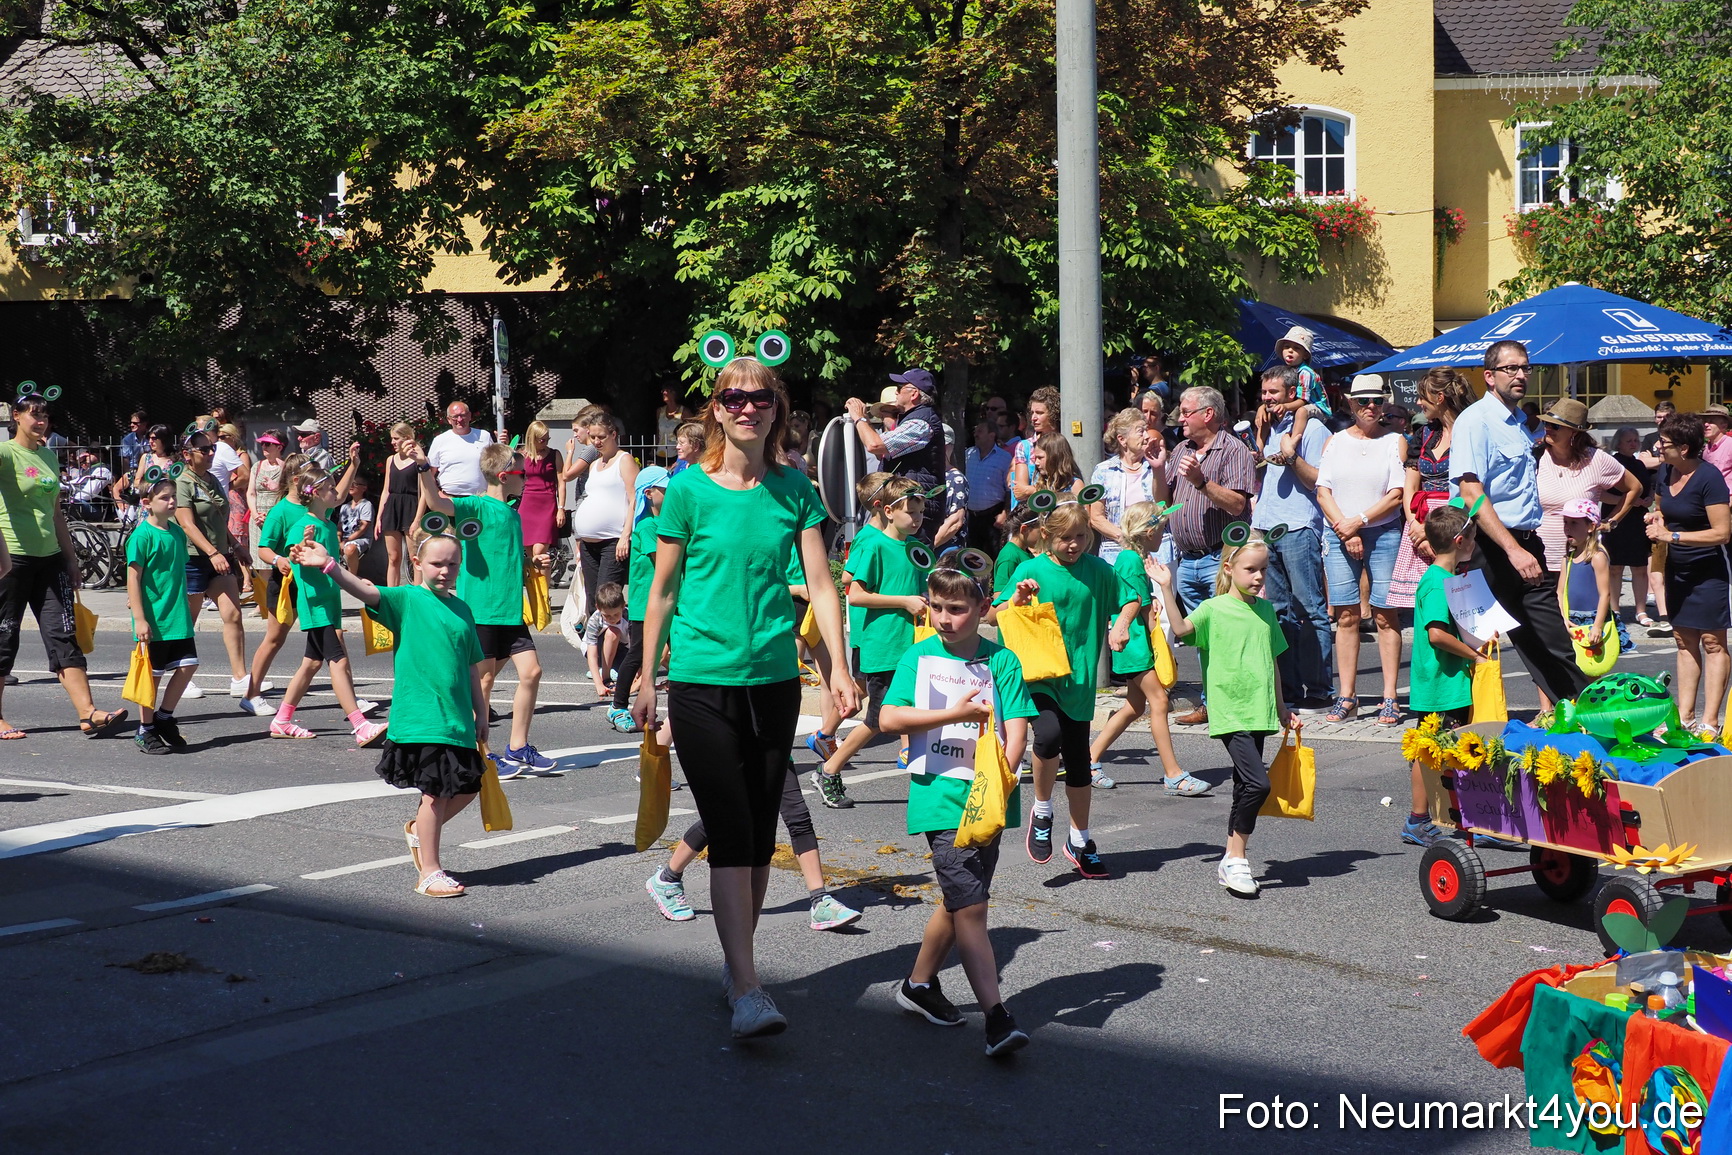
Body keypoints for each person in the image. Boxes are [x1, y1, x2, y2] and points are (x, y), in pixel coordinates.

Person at [631, 356, 857, 1041]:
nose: (747, 407)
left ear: (775, 408)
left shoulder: (794, 489)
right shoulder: (687, 491)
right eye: (734, 397)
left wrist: (838, 669)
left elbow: (822, 585)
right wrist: (647, 677)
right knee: (730, 827)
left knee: (760, 834)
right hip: (702, 681)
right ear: (716, 408)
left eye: (760, 398)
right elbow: (662, 592)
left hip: (774, 682)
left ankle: (740, 968)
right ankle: (749, 988)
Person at [879, 564, 1035, 1055]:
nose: (944, 618)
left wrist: (1000, 783)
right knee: (972, 906)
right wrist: (956, 713)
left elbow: (1017, 729)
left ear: (984, 608)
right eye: (937, 607)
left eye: (957, 609)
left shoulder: (1002, 660)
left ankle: (918, 984)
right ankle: (996, 1017)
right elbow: (888, 717)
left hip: (987, 800)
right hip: (939, 797)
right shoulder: (919, 656)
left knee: (962, 897)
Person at [288, 528, 487, 899]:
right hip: (422, 717)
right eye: (437, 564)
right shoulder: (406, 599)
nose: (445, 571)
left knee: (467, 788)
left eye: (452, 564)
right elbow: (365, 591)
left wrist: (482, 712)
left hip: (457, 718)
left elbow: (472, 666)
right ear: (417, 564)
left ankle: (419, 831)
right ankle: (429, 872)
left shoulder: (463, 609)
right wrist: (329, 565)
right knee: (435, 794)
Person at [1150, 530, 1295, 898]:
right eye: (1251, 569)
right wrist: (1166, 587)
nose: (1259, 577)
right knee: (1259, 784)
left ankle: (1232, 859)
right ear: (1229, 568)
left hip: (1260, 709)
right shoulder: (1213, 609)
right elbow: (1181, 629)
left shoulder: (1265, 610)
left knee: (1244, 785)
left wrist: (1282, 708)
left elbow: (1274, 662)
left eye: (1263, 569)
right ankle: (1236, 856)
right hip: (1230, 710)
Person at [996, 502, 1135, 879]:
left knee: (1078, 760)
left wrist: (1121, 625)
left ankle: (1079, 840)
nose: (1074, 544)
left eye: (1081, 536)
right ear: (1046, 536)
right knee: (1048, 734)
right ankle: (1042, 811)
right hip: (1038, 673)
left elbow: (1131, 598)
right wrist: (1017, 600)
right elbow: (996, 612)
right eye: (1065, 538)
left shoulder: (1099, 570)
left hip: (1079, 678)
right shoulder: (1031, 569)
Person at [1449, 340, 1589, 705]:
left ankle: (1582, 716)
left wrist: (1521, 549)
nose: (1521, 375)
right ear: (1489, 376)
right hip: (1486, 549)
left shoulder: (1519, 424)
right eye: (1511, 368)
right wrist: (1512, 550)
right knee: (1476, 646)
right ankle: (1457, 728)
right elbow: (1470, 492)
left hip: (1527, 543)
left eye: (1525, 368)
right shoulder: (1476, 421)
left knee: (1553, 642)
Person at [417, 440, 554, 776]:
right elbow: (437, 502)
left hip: (510, 610)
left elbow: (508, 556)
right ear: (505, 476)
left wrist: (532, 562)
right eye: (522, 474)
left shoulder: (513, 514)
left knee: (532, 672)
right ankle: (482, 752)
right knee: (484, 681)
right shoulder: (476, 506)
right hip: (482, 611)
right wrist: (423, 468)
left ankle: (518, 746)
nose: (527, 479)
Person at [0, 391, 127, 740]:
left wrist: (70, 559)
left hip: (50, 559)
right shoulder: (6, 453)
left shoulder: (47, 456)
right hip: (12, 559)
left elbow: (56, 513)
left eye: (44, 415)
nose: (40, 421)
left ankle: (89, 713)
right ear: (16, 416)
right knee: (4, 636)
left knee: (64, 635)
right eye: (33, 414)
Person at [816, 474, 929, 807]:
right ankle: (829, 769)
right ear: (888, 511)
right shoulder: (875, 544)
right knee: (878, 720)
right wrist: (904, 601)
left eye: (921, 513)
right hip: (884, 647)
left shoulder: (917, 549)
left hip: (912, 646)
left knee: (915, 711)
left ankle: (930, 777)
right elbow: (855, 594)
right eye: (911, 512)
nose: (917, 519)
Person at [646, 764, 864, 930]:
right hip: (736, 746)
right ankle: (667, 878)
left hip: (774, 744)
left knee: (798, 817)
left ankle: (820, 900)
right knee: (724, 816)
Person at [267, 465, 388, 745]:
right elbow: (294, 555)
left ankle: (282, 720)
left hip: (329, 603)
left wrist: (355, 579)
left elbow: (330, 565)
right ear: (316, 493)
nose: (337, 492)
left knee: (311, 664)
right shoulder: (303, 526)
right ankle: (360, 725)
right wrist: (301, 547)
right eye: (331, 488)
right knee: (339, 661)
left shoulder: (329, 525)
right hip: (316, 605)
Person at [1087, 502, 1198, 795]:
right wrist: (1158, 640)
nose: (1164, 535)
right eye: (1161, 529)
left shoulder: (1131, 558)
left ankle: (1089, 758)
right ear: (1149, 533)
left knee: (1136, 706)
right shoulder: (1131, 560)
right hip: (1135, 644)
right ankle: (1173, 774)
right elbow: (1138, 606)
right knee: (1159, 701)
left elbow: (1139, 599)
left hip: (1134, 644)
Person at [1164, 385, 1257, 727]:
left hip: (1221, 559)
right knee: (1204, 639)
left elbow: (1238, 505)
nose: (1180, 418)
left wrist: (1201, 482)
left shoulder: (1233, 450)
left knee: (1229, 635)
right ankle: (1211, 703)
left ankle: (1238, 702)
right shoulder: (1181, 449)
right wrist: (1159, 468)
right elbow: (1165, 499)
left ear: (1208, 414)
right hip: (1187, 559)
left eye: (1186, 412)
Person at [1315, 378, 1407, 724]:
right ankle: (1347, 695)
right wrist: (1345, 526)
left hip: (1382, 531)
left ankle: (1390, 696)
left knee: (1385, 614)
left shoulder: (1394, 441)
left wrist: (1360, 520)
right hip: (1340, 529)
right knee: (1346, 615)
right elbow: (1323, 491)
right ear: (1350, 403)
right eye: (1363, 400)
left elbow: (1396, 494)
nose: (1370, 407)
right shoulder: (1335, 441)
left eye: (1377, 401)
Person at [1400, 504, 1487, 846]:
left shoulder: (1450, 579)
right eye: (1474, 538)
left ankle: (1471, 821)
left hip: (1453, 683)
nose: (1476, 544)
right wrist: (1474, 655)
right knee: (1429, 753)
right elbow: (1436, 634)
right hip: (1440, 685)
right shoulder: (1436, 583)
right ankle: (1417, 820)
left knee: (1460, 750)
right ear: (1460, 541)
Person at [1250, 365, 1334, 714]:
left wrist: (1291, 456)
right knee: (1278, 612)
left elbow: (1318, 480)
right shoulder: (1269, 426)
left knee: (1309, 609)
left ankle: (1319, 689)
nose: (1267, 399)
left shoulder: (1313, 428)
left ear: (1291, 393)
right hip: (1266, 526)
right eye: (1264, 393)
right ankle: (1288, 687)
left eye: (1274, 393)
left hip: (1299, 526)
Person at [1646, 414, 1731, 736]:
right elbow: (1661, 507)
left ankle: (1710, 722)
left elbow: (1722, 532)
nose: (1659, 447)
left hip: (1709, 569)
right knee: (1683, 642)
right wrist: (1656, 518)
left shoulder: (1709, 478)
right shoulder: (1666, 471)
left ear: (1684, 448)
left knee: (1712, 642)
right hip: (1677, 568)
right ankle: (1685, 718)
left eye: (1664, 443)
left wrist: (1673, 536)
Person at [174, 429, 252, 703]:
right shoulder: (182, 482)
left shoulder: (212, 479)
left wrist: (236, 546)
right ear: (187, 454)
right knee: (188, 622)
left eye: (212, 449)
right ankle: (182, 677)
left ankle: (240, 678)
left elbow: (219, 518)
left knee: (233, 615)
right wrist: (212, 553)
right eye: (204, 450)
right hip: (194, 559)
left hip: (220, 556)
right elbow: (187, 524)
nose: (210, 454)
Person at [125, 479, 200, 754]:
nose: (172, 501)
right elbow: (133, 578)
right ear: (147, 503)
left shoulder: (177, 533)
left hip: (177, 615)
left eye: (173, 496)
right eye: (164, 498)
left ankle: (164, 718)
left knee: (188, 665)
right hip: (154, 619)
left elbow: (176, 571)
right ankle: (145, 729)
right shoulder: (142, 536)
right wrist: (139, 617)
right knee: (152, 676)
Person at [1389, 369, 1473, 608]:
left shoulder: (1471, 431)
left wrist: (1436, 531)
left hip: (1457, 523)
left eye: (1422, 397)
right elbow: (1411, 485)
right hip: (1420, 521)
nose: (1417, 403)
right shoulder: (1425, 434)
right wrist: (1415, 526)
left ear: (1439, 398)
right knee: (1428, 605)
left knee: (1459, 603)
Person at [1534, 399, 1641, 577]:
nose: (1548, 429)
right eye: (1546, 423)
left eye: (1555, 426)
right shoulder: (1535, 456)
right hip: (1538, 560)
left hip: (1581, 560)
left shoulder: (1596, 459)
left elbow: (1634, 488)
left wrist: (1611, 522)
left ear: (1574, 432)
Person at [608, 467, 668, 733]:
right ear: (649, 493)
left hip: (668, 602)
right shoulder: (647, 526)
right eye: (665, 489)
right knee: (638, 654)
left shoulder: (664, 524)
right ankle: (617, 706)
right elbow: (662, 562)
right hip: (647, 604)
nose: (671, 493)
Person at [566, 406, 638, 614]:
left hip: (612, 542)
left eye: (602, 437)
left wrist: (625, 535)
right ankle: (595, 637)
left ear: (613, 434)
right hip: (589, 544)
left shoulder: (624, 460)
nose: (597, 442)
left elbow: (634, 499)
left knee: (607, 600)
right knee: (592, 602)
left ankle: (615, 635)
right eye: (593, 437)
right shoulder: (595, 464)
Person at [1604, 427, 1663, 634]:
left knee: (1639, 566)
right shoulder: (1612, 463)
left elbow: (1649, 487)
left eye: (1636, 440)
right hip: (1616, 518)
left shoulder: (1639, 464)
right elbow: (1602, 494)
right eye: (1628, 440)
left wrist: (1648, 499)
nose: (1633, 443)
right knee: (1615, 567)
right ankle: (1615, 610)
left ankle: (1641, 611)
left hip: (1637, 519)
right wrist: (1629, 501)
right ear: (1618, 443)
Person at [846, 369, 944, 493]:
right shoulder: (916, 418)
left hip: (915, 502)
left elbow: (874, 445)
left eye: (899, 388)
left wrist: (859, 418)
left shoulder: (920, 423)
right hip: (908, 500)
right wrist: (865, 420)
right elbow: (881, 453)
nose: (896, 392)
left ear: (914, 394)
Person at [1089, 409, 1160, 565]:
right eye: (1141, 431)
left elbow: (1166, 506)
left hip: (1156, 553)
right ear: (1122, 439)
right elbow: (1096, 517)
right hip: (1116, 553)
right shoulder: (1104, 471)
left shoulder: (1157, 467)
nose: (1147, 436)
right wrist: (1125, 539)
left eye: (1147, 430)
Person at [1559, 498, 1623, 661]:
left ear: (1591, 526)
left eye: (1574, 523)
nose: (1567, 527)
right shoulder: (1567, 559)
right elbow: (1560, 592)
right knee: (1574, 666)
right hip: (1571, 621)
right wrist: (1563, 618)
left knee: (1592, 666)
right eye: (1566, 522)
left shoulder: (1597, 556)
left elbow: (1605, 594)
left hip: (1592, 620)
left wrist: (1597, 626)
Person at [1266, 326, 1327, 463]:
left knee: (1301, 412)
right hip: (1298, 405)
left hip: (1317, 406)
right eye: (1287, 346)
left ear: (1305, 355)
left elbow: (1303, 401)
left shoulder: (1305, 373)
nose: (1290, 350)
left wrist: (1285, 406)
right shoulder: (1288, 371)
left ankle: (1291, 445)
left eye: (1296, 348)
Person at [517, 420, 565, 573]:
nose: (545, 442)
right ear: (532, 438)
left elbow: (561, 482)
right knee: (531, 555)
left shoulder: (554, 455)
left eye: (547, 438)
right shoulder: (522, 455)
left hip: (547, 505)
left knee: (540, 553)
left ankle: (544, 588)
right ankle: (535, 587)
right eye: (542, 439)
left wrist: (561, 508)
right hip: (527, 504)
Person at [376, 423, 420, 587]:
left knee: (415, 556)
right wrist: (379, 517)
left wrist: (417, 519)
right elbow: (386, 490)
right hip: (392, 507)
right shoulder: (390, 460)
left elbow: (424, 493)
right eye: (392, 439)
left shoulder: (419, 459)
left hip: (411, 506)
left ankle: (418, 594)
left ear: (407, 438)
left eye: (396, 438)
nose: (392, 442)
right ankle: (392, 594)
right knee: (393, 557)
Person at [964, 415, 1011, 554]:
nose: (975, 434)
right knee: (973, 557)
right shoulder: (968, 455)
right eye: (975, 431)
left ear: (992, 435)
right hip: (971, 518)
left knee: (994, 555)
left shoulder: (1004, 458)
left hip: (993, 517)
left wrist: (1005, 513)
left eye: (980, 431)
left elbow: (1009, 489)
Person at [426, 402, 492, 497]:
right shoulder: (440, 440)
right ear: (449, 419)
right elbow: (430, 473)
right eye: (455, 417)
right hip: (449, 498)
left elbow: (495, 467)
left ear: (469, 416)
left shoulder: (484, 436)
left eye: (463, 415)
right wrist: (439, 494)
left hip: (480, 498)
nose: (459, 420)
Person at [1008, 387, 1061, 506]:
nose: (1033, 418)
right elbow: (1020, 491)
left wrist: (1030, 490)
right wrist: (1055, 490)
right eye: (1032, 413)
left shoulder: (1064, 443)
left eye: (1040, 413)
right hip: (1030, 511)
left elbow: (1069, 486)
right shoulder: (1024, 446)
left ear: (1053, 414)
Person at [216, 425, 253, 590]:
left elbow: (244, 477)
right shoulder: (217, 452)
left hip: (236, 498)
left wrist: (228, 485)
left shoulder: (240, 455)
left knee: (239, 537)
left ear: (233, 437)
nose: (220, 440)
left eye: (223, 437)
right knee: (228, 535)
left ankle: (247, 579)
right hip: (225, 499)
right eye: (219, 437)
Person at [247, 430, 288, 562]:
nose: (263, 446)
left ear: (279, 447)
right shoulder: (257, 466)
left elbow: (292, 493)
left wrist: (278, 487)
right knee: (258, 560)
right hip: (258, 519)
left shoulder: (287, 468)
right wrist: (255, 515)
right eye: (262, 443)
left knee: (277, 559)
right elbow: (251, 493)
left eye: (268, 444)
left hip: (277, 518)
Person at [585, 582, 630, 699]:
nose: (612, 619)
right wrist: (598, 684)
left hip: (623, 649)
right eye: (607, 616)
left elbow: (636, 647)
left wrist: (637, 674)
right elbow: (591, 653)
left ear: (623, 606)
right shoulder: (595, 620)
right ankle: (606, 677)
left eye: (616, 614)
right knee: (613, 632)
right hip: (600, 650)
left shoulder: (629, 617)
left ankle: (616, 669)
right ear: (598, 608)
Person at [993, 506, 1042, 597]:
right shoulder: (1009, 557)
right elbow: (999, 596)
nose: (1043, 536)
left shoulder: (1025, 551)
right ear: (1024, 529)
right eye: (1040, 532)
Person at [338, 476, 375, 575]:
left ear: (364, 488)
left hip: (360, 539)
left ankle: (352, 578)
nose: (351, 486)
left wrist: (346, 541)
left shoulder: (366, 505)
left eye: (355, 484)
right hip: (344, 539)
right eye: (350, 483)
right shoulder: (344, 506)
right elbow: (339, 527)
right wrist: (338, 540)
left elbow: (363, 528)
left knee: (350, 549)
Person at [64, 451, 112, 518]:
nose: (87, 455)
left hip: (97, 508)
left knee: (67, 503)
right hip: (85, 503)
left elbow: (89, 494)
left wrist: (72, 498)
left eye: (91, 452)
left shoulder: (102, 470)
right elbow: (74, 482)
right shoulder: (88, 471)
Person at [656, 384, 695, 458]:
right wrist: (654, 447)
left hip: (678, 453)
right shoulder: (660, 411)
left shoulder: (684, 411)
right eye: (663, 391)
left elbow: (692, 432)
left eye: (667, 391)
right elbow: (658, 432)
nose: (664, 393)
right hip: (660, 453)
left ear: (675, 393)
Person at [1703, 406, 1732, 491]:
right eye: (1705, 421)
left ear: (1724, 426)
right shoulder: (1706, 448)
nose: (1706, 425)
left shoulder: (1730, 445)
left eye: (1711, 422)